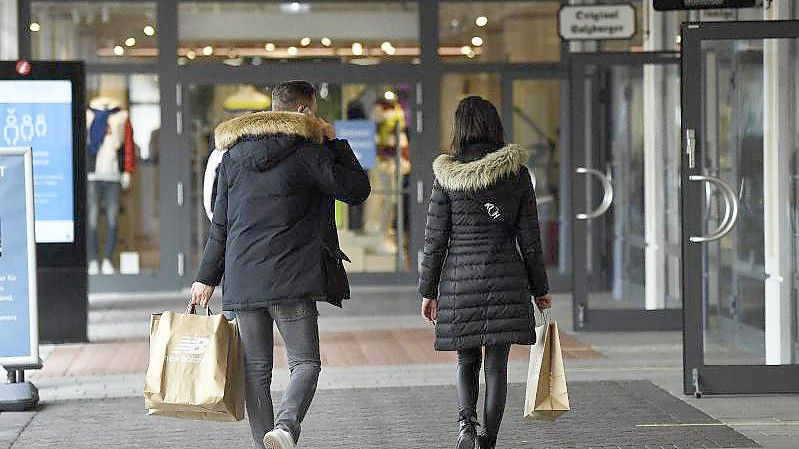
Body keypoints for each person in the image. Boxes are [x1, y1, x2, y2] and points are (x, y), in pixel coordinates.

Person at [190, 80, 371, 449]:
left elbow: (220, 225)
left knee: (255, 373)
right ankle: (286, 428)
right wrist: (335, 142)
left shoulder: (232, 157)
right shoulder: (310, 152)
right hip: (292, 278)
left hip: (243, 278)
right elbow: (355, 190)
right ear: (305, 111)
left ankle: (265, 444)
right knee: (305, 363)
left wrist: (206, 277)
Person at [418, 96, 552, 449]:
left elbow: (435, 240)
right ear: (495, 126)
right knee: (497, 367)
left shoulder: (446, 177)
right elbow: (531, 240)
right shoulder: (517, 174)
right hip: (507, 278)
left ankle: (466, 424)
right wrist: (540, 288)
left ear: (459, 128)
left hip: (460, 280)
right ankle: (487, 441)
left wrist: (428, 291)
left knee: (466, 359)